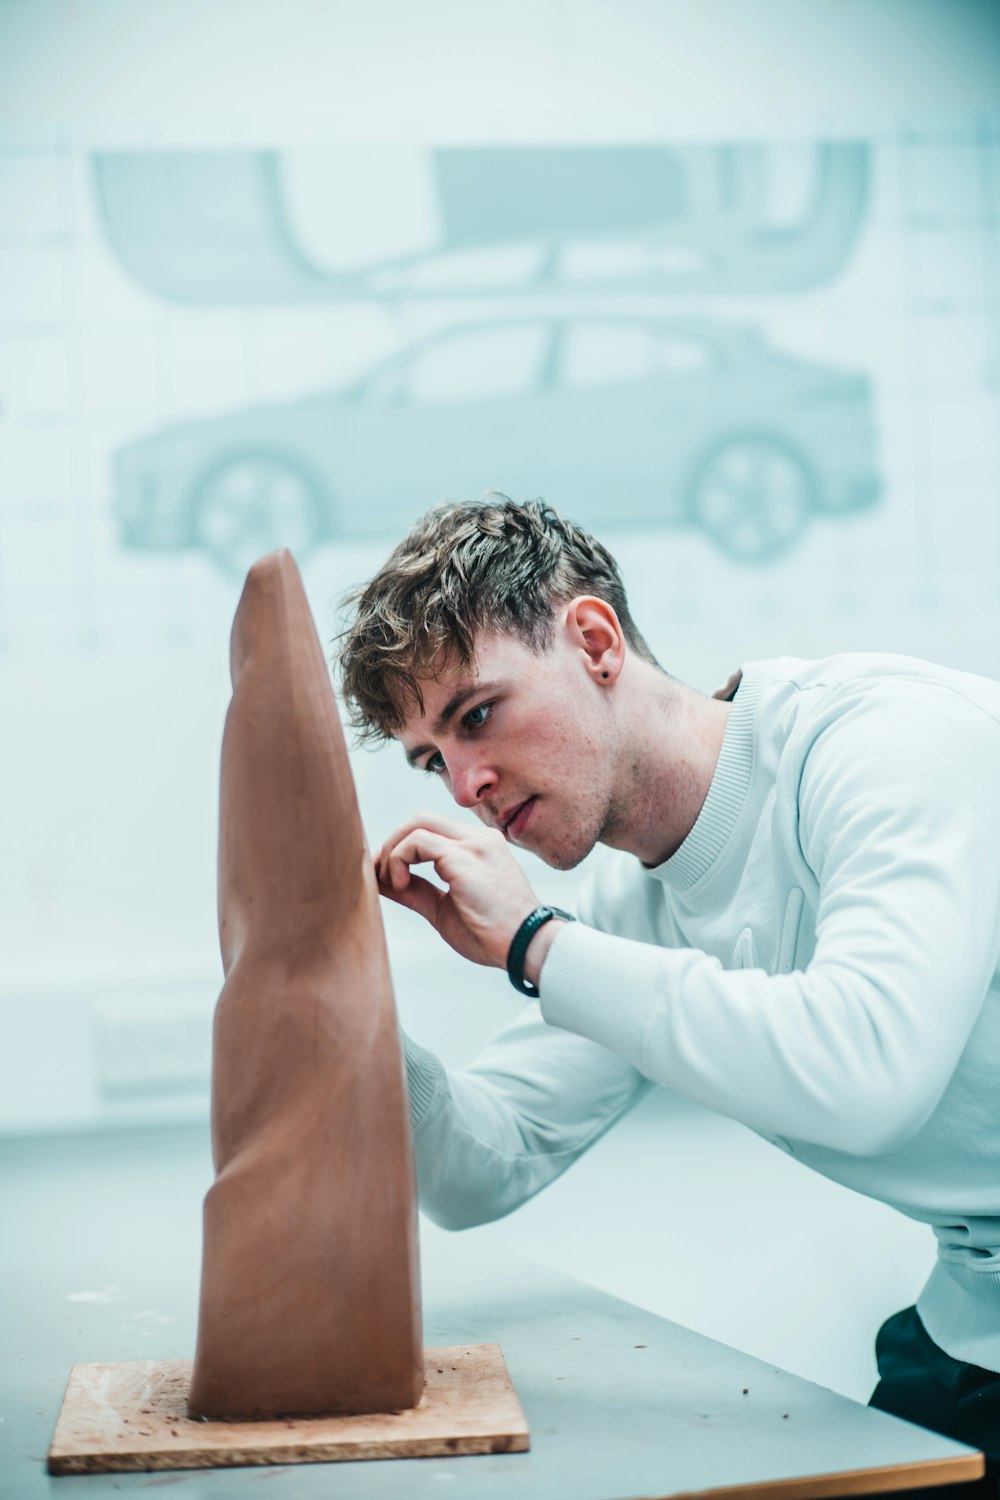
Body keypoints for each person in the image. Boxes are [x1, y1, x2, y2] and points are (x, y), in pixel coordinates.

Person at [337, 494, 1000, 1483]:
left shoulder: (886, 745)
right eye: (434, 759)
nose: (464, 785)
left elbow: (870, 1071)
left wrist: (534, 945)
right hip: (967, 1330)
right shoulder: (624, 907)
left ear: (594, 640)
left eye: (478, 715)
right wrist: (336, 999)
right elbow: (485, 1166)